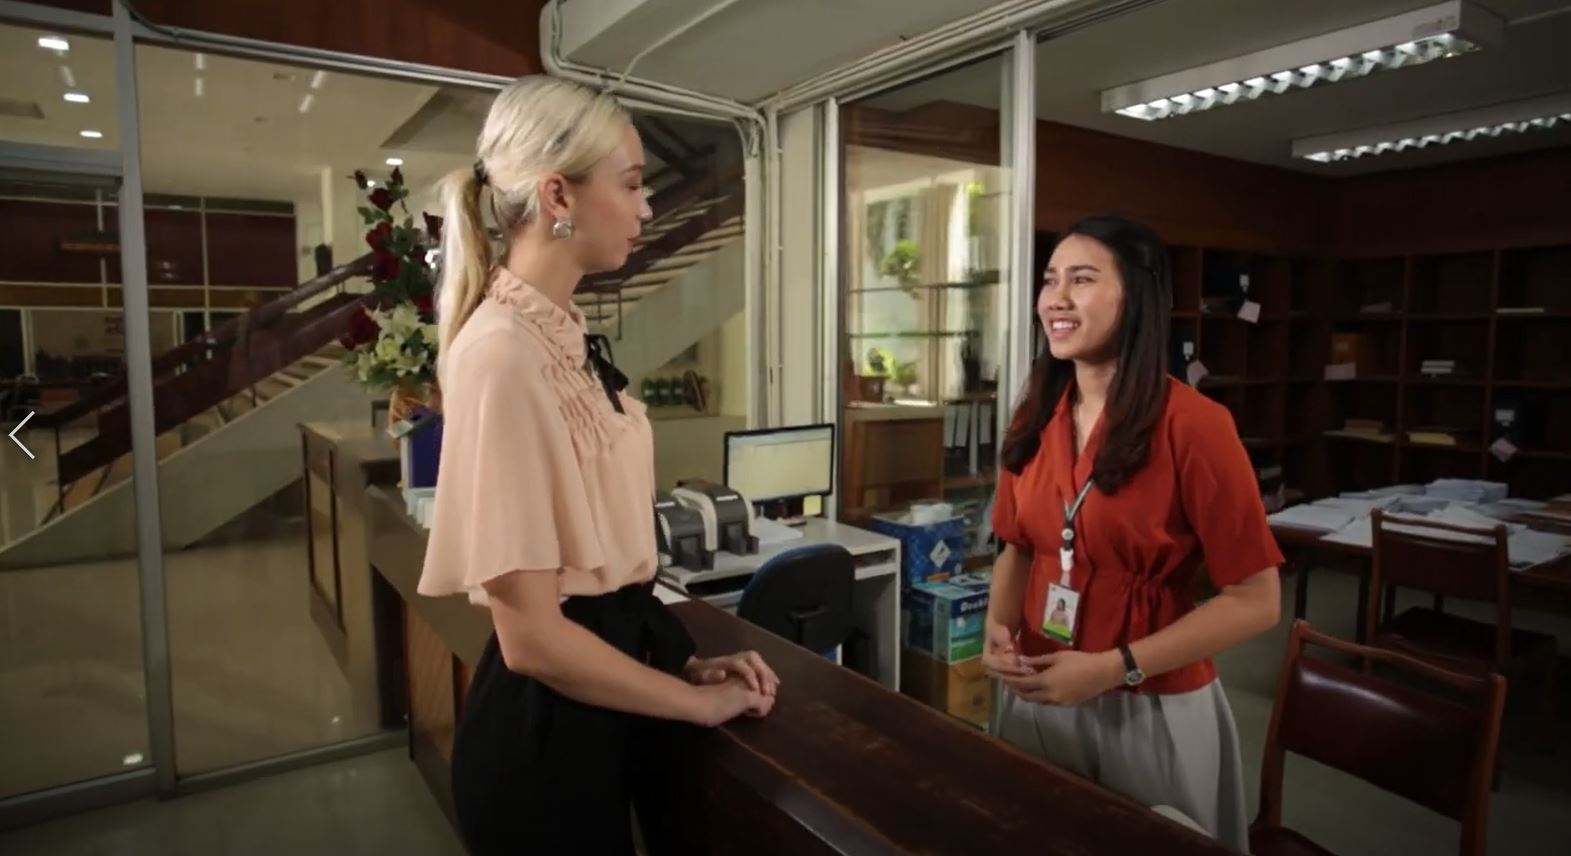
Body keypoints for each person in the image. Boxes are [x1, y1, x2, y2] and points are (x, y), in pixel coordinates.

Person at [416, 76, 779, 856]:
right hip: (546, 743)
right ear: (558, 195)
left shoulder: (559, 331)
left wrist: (683, 666)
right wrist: (696, 706)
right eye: (632, 184)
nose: (646, 209)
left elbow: (603, 588)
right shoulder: (502, 351)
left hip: (600, 705)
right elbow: (533, 640)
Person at [984, 215, 1282, 851]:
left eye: (1082, 280)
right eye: (1050, 280)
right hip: (1039, 683)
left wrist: (1112, 668)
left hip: (1148, 701)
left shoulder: (1195, 425)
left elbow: (1257, 599)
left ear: (1137, 297)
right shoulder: (1035, 415)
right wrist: (997, 628)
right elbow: (1018, 544)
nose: (1056, 299)